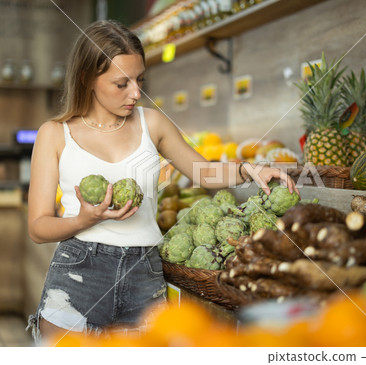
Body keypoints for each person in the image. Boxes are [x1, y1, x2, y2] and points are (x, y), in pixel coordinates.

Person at [26, 19, 299, 344]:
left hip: (145, 271)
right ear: (88, 79)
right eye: (121, 83)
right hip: (78, 270)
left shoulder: (151, 122)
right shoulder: (55, 134)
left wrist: (248, 170)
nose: (136, 93)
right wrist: (84, 219)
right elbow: (38, 227)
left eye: (140, 80)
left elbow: (203, 172)